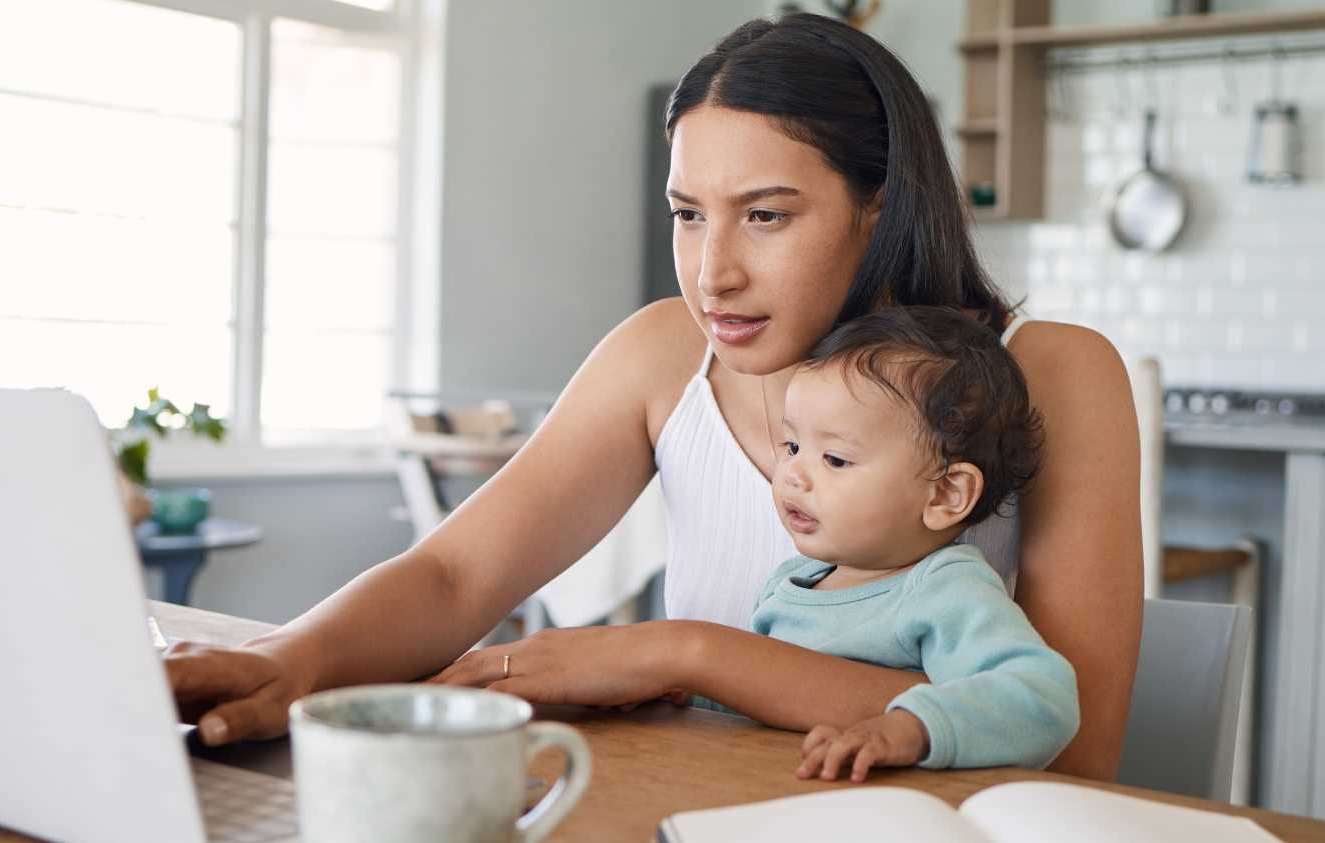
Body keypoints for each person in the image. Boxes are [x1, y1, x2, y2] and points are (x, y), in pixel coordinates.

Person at [164, 12, 1142, 780]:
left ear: (879, 207)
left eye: (765, 216)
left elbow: (1076, 743)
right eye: (687, 215)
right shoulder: (661, 354)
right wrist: (293, 660)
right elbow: (456, 580)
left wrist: (683, 655)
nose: (712, 274)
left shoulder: (1052, 372)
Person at [677, 306, 1078, 783]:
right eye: (792, 447)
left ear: (945, 493)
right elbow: (757, 705)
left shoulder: (947, 591)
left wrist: (910, 728)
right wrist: (686, 694)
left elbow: (1040, 698)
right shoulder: (789, 587)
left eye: (835, 459)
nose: (793, 476)